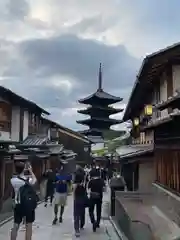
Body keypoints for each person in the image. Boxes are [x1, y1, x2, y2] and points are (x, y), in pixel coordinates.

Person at [10, 162, 37, 240]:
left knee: (15, 225)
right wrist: (31, 171)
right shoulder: (28, 179)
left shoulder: (13, 180)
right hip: (28, 205)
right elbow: (35, 180)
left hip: (18, 204)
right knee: (29, 225)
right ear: (24, 169)